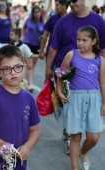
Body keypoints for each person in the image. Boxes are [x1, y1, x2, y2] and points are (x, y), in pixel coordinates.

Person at [45, 0, 105, 155]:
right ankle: (70, 134)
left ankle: (76, 142)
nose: (72, 3)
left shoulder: (98, 20)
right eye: (69, 1)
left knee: (88, 114)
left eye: (75, 0)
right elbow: (54, 46)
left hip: (90, 73)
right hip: (67, 73)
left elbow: (103, 47)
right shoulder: (63, 21)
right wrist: (48, 67)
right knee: (68, 104)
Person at [57, 25, 105, 170]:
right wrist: (60, 92)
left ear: (94, 41)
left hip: (94, 99)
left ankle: (82, 152)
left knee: (93, 137)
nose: (81, 43)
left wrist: (104, 103)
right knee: (75, 137)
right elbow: (60, 75)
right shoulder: (71, 55)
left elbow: (102, 82)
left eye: (84, 40)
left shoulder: (100, 59)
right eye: (79, 39)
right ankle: (74, 168)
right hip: (75, 99)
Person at [22, 5, 44, 92]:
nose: (37, 14)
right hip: (27, 44)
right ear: (33, 13)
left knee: (32, 66)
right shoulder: (29, 20)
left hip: (37, 46)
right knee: (29, 65)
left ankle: (28, 81)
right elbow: (23, 28)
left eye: (38, 12)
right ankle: (30, 84)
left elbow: (44, 35)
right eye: (35, 12)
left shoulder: (43, 23)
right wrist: (23, 37)